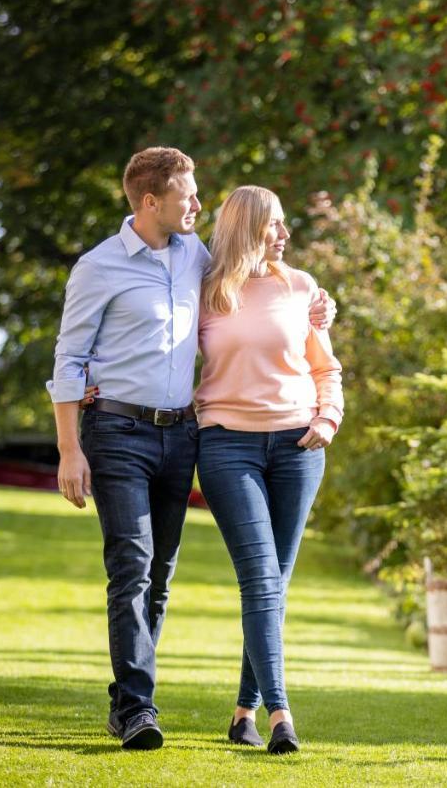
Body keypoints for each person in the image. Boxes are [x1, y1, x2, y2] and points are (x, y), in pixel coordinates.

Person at [47, 149, 334, 750]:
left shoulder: (196, 261)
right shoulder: (99, 267)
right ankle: (139, 709)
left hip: (181, 434)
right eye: (189, 195)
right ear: (152, 201)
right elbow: (69, 359)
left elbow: (271, 293)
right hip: (122, 431)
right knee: (132, 565)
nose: (198, 205)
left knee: (160, 577)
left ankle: (197, 706)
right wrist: (70, 448)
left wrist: (320, 306)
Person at [194, 185, 343, 755]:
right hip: (228, 447)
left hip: (298, 446)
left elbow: (326, 368)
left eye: (284, 223)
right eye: (274, 224)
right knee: (260, 580)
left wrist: (327, 419)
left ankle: (241, 714)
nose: (284, 234)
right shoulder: (203, 291)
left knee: (273, 587)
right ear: (247, 226)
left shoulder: (300, 288)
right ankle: (281, 715)